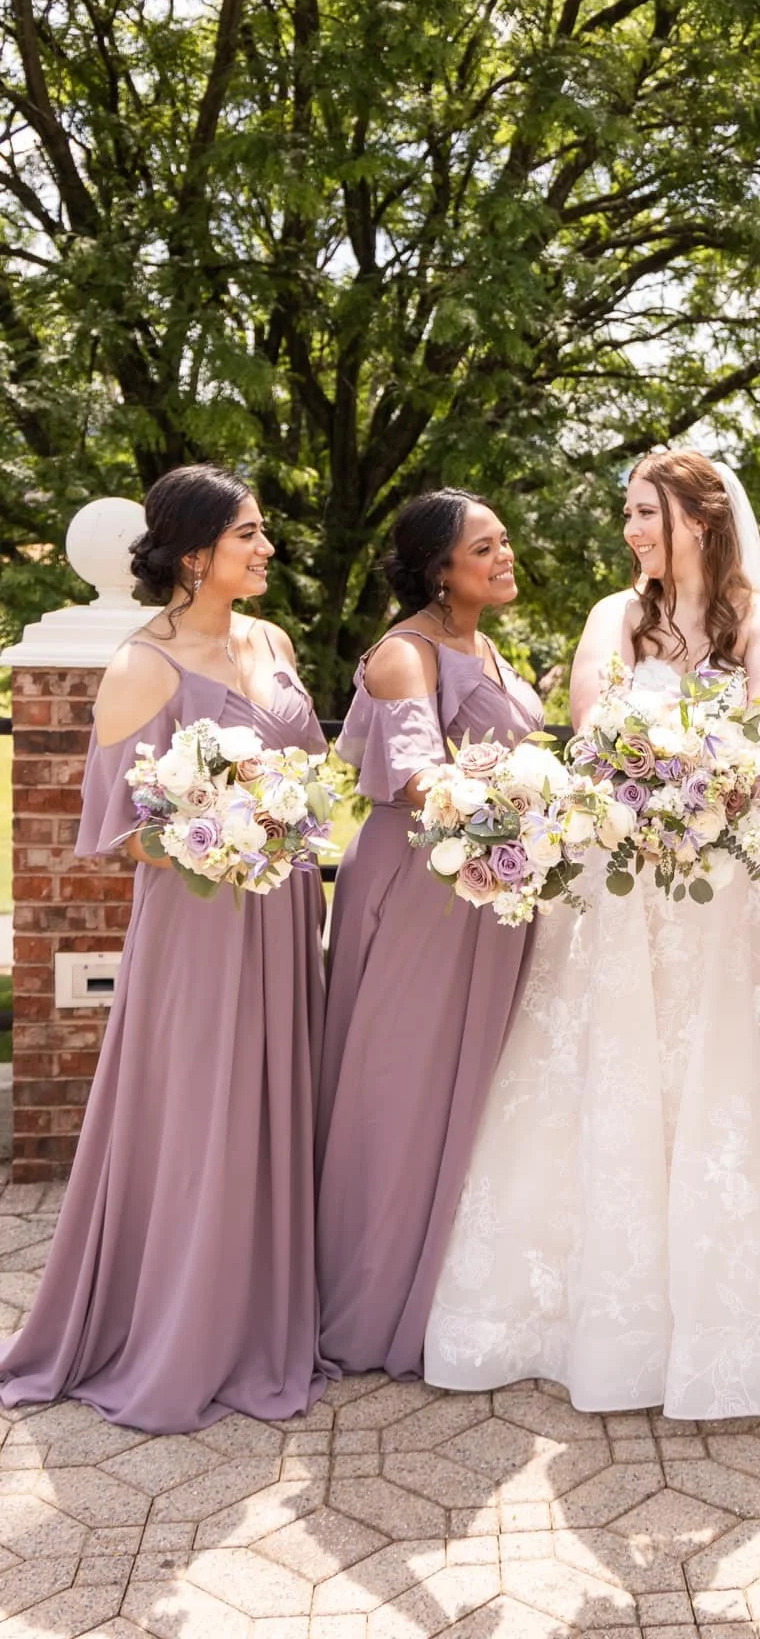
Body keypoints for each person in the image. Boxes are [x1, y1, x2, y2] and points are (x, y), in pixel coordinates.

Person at [422, 448, 760, 1417]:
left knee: (727, 1066)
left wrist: (714, 778)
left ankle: (736, 1312)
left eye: (644, 512)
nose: (629, 530)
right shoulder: (614, 617)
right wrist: (653, 784)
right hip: (624, 878)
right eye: (626, 513)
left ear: (699, 521)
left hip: (735, 881)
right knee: (615, 1063)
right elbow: (591, 736)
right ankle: (593, 1315)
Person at [0, 466, 332, 1431]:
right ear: (196, 554)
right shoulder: (142, 665)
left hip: (279, 908)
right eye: (250, 536)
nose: (267, 549)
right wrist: (220, 833)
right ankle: (180, 1328)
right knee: (201, 1111)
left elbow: (307, 764)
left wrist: (285, 823)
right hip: (199, 922)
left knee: (273, 1101)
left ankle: (264, 1312)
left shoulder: (269, 639)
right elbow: (116, 829)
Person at [315, 489, 543, 1378]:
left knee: (468, 1086)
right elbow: (416, 779)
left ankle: (448, 1285)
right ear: (437, 568)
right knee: (401, 1086)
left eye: (504, 539)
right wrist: (532, 806)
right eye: (484, 548)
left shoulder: (480, 643)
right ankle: (370, 1299)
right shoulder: (406, 655)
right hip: (420, 891)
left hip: (483, 890)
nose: (505, 555)